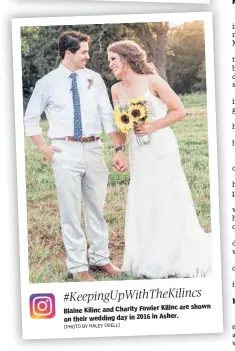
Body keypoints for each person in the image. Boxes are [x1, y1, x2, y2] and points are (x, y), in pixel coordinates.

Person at [24, 31, 127, 282]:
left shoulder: (94, 79)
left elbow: (106, 115)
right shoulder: (46, 83)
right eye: (83, 52)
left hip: (93, 149)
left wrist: (119, 149)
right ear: (68, 53)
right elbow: (30, 120)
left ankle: (101, 258)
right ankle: (78, 265)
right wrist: (44, 148)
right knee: (70, 211)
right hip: (64, 150)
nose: (87, 56)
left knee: (97, 207)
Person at [108, 40, 211, 278]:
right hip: (138, 149)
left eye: (113, 58)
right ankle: (145, 256)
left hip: (161, 146)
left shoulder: (153, 81)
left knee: (166, 194)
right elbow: (120, 124)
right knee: (143, 195)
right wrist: (120, 150)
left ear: (126, 58)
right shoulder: (116, 90)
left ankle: (170, 256)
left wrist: (152, 125)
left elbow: (180, 110)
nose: (110, 64)